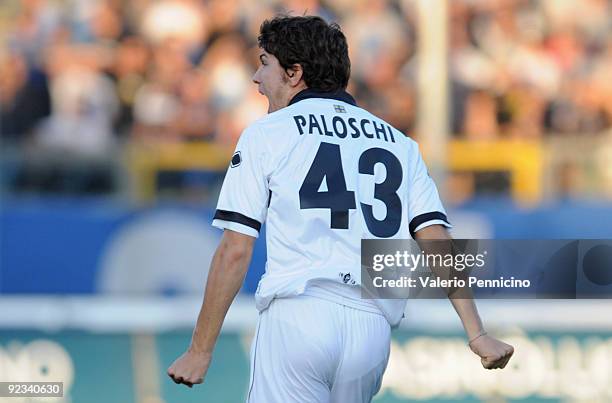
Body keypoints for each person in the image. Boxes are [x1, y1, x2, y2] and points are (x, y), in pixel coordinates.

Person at [167, 15, 514, 403]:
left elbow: (236, 248)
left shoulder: (266, 134)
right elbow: (436, 239)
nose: (255, 77)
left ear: (294, 73)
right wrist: (476, 332)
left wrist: (200, 350)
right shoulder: (400, 143)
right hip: (371, 329)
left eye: (264, 62)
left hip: (299, 315)